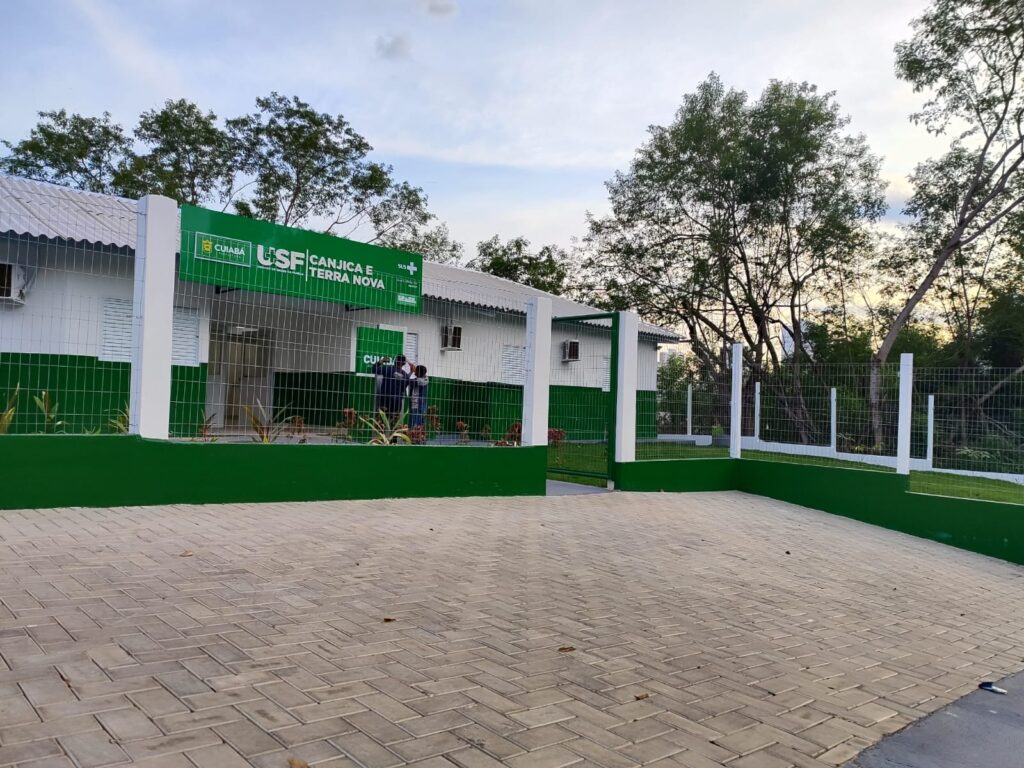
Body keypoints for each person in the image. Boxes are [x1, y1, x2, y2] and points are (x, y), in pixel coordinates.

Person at [371, 355, 410, 424]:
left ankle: (381, 430)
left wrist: (381, 361)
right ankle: (393, 430)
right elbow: (404, 388)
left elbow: (374, 369)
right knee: (394, 421)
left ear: (395, 361)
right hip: (397, 400)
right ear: (403, 363)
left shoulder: (387, 369)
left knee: (382, 420)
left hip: (385, 398)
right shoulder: (405, 375)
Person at [409, 364, 429, 429]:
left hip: (416, 403)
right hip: (423, 402)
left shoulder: (416, 381)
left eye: (416, 370)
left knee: (414, 421)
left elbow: (405, 380)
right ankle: (420, 433)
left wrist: (411, 371)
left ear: (419, 372)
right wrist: (417, 370)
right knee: (421, 420)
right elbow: (424, 374)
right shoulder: (426, 379)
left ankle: (413, 432)